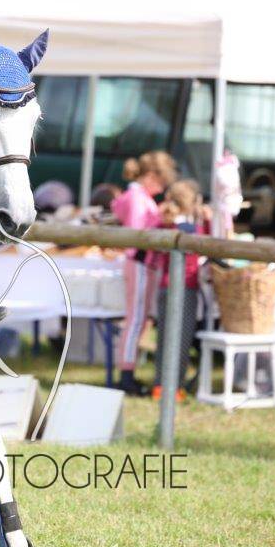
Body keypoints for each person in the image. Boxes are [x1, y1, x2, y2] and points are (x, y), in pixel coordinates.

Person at [110, 151, 177, 395]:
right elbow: (138, 234)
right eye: (160, 182)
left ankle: (130, 370)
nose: (161, 188)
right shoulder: (138, 198)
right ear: (150, 175)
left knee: (140, 319)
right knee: (136, 318)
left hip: (144, 263)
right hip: (139, 261)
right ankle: (126, 374)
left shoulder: (139, 196)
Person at [146, 180, 209, 396]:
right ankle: (175, 386)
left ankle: (159, 385)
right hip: (185, 288)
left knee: (164, 338)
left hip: (164, 287)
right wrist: (207, 220)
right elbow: (206, 242)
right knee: (181, 340)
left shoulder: (165, 224)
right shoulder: (189, 228)